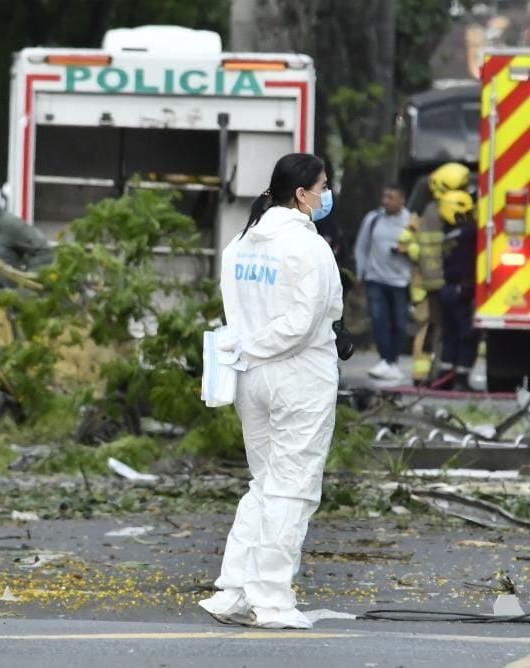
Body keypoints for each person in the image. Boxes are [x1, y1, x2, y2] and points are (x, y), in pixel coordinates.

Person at [198, 153, 343, 630]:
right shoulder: (309, 248)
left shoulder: (241, 244)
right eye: (321, 187)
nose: (326, 195)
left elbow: (238, 312)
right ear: (301, 194)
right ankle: (273, 598)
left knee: (264, 484)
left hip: (250, 377)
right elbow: (305, 323)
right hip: (298, 377)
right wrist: (266, 346)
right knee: (292, 488)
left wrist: (250, 350)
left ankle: (235, 589)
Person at [407, 162, 470, 384]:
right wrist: (437, 282)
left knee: (437, 329)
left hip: (430, 282)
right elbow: (430, 254)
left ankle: (430, 374)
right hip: (427, 284)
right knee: (428, 328)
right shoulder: (434, 214)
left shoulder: (438, 209)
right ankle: (421, 375)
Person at [353, 184, 412, 382]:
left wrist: (407, 250)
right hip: (375, 279)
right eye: (384, 196)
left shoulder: (410, 221)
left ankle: (393, 361)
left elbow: (418, 247)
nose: (386, 201)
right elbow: (362, 247)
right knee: (379, 321)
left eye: (391, 197)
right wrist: (360, 275)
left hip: (400, 281)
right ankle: (385, 360)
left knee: (400, 323)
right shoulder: (373, 219)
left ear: (401, 200)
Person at [435, 189, 479, 391]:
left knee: (450, 333)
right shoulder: (468, 232)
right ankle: (461, 379)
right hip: (462, 290)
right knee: (467, 334)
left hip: (448, 289)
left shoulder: (448, 234)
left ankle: (446, 375)